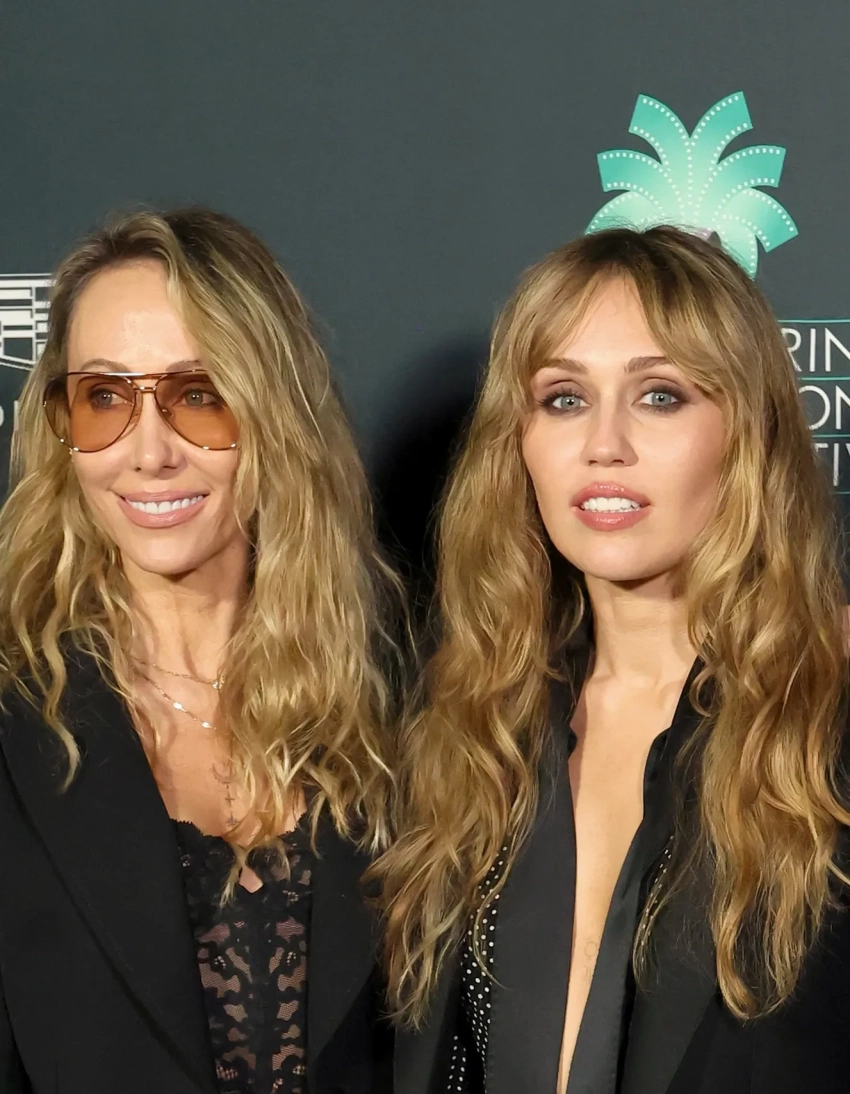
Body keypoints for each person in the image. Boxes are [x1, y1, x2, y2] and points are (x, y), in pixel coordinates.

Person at [378, 226, 850, 1094]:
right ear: (517, 441)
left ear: (749, 433)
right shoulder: (463, 727)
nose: (604, 443)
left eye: (660, 396)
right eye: (563, 399)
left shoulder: (828, 727)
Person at [0, 208, 398, 1094]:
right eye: (104, 399)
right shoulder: (14, 720)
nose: (148, 453)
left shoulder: (396, 705)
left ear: (272, 411)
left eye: (198, 395)